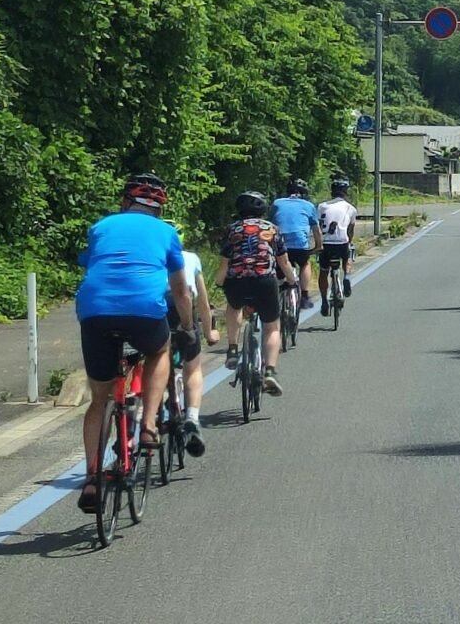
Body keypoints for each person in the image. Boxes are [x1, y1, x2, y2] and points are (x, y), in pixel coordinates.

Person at [73, 174, 194, 514]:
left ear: (125, 202)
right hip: (143, 310)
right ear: (159, 209)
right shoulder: (167, 233)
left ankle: (93, 479)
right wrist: (188, 326)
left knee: (99, 399)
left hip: (95, 311)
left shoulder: (101, 227)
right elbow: (181, 292)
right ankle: (150, 425)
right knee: (159, 350)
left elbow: (91, 265)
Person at [217, 191, 295, 396]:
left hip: (236, 282)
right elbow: (283, 262)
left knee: (233, 308)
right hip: (265, 281)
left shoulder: (231, 230)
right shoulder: (271, 229)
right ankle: (269, 371)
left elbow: (224, 263)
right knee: (272, 326)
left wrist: (218, 283)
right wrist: (292, 281)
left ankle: (233, 349)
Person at [169, 226, 221, 457]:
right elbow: (202, 302)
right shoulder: (190, 258)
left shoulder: (147, 259)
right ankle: (191, 417)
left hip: (150, 312)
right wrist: (209, 332)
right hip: (181, 311)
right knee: (192, 368)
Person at [270, 179, 321, 309]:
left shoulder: (277, 203)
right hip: (300, 245)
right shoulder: (308, 205)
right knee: (305, 263)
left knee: (279, 267)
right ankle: (304, 295)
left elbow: (270, 223)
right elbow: (316, 230)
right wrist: (318, 246)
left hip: (280, 245)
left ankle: (276, 295)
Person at [316, 177, 358, 318]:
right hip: (342, 242)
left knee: (323, 271)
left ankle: (323, 301)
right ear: (346, 192)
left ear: (332, 191)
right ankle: (346, 276)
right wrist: (349, 241)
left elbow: (318, 225)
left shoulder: (322, 206)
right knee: (347, 256)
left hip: (326, 243)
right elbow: (350, 230)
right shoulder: (350, 208)